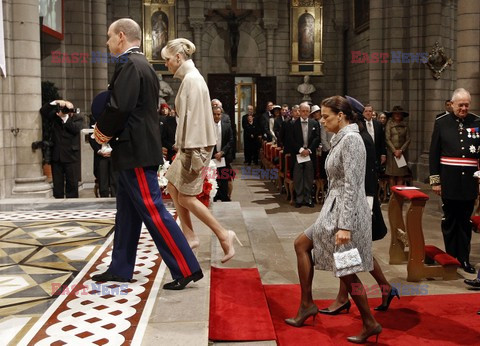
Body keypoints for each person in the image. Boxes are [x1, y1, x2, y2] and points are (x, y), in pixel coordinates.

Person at [91, 18, 202, 290]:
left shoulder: (130, 64)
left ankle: (186, 268)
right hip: (134, 150)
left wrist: (100, 132)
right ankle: (120, 268)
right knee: (126, 213)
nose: (107, 43)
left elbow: (120, 107)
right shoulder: (144, 65)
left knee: (153, 211)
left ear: (120, 36)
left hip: (136, 151)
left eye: (109, 37)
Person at [285, 96, 381, 344]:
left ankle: (370, 322)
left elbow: (352, 186)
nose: (323, 120)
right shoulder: (342, 138)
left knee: (348, 270)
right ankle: (307, 304)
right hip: (334, 209)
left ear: (341, 116)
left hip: (346, 212)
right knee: (301, 245)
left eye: (327, 116)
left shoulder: (352, 140)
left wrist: (346, 226)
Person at [161, 38, 241, 262]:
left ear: (178, 57)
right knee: (173, 186)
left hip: (194, 148)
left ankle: (225, 235)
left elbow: (194, 121)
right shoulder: (189, 78)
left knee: (186, 197)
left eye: (167, 60)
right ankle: (189, 235)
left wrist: (190, 153)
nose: (166, 64)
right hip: (188, 146)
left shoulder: (193, 80)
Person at [320, 96, 397, 317]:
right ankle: (380, 290)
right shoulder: (352, 135)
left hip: (362, 201)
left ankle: (352, 301)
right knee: (356, 255)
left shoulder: (358, 138)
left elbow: (363, 177)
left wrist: (366, 206)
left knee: (351, 257)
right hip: (356, 202)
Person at [429, 88, 480, 274]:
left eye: (467, 104)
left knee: (465, 221)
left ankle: (464, 258)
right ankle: (451, 258)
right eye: (461, 105)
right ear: (452, 105)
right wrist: (435, 181)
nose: (464, 108)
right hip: (449, 179)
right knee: (450, 220)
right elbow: (434, 153)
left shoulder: (476, 122)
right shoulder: (442, 123)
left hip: (469, 182)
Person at [39, 99, 83, 198]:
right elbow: (43, 112)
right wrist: (55, 102)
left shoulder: (77, 118)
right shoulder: (55, 118)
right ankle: (58, 204)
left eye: (69, 109)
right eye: (65, 109)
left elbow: (75, 129)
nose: (66, 111)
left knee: (72, 184)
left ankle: (72, 206)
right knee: (57, 185)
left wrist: (65, 118)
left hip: (71, 156)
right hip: (57, 156)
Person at [288, 102, 320, 208]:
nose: (305, 113)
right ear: (299, 111)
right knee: (298, 176)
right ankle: (299, 199)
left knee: (309, 176)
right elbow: (290, 139)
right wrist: (301, 149)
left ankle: (308, 198)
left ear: (309, 112)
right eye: (303, 111)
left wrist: (309, 150)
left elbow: (317, 138)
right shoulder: (293, 124)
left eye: (307, 111)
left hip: (309, 154)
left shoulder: (314, 123)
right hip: (298, 154)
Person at [212, 106, 234, 201]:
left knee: (224, 178)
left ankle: (224, 197)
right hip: (212, 156)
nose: (217, 116)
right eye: (215, 114)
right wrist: (214, 153)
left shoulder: (226, 125)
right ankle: (214, 196)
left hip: (223, 156)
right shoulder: (208, 126)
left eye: (219, 114)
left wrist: (222, 152)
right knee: (213, 178)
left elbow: (231, 140)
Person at [385, 105, 411, 187]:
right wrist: (394, 151)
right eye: (395, 113)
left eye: (399, 114)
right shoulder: (389, 124)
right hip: (392, 154)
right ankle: (393, 196)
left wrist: (401, 150)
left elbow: (408, 139)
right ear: (392, 115)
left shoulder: (406, 125)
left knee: (401, 175)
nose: (397, 115)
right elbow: (387, 139)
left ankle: (399, 195)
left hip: (402, 154)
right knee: (392, 175)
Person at [363, 104, 387, 174]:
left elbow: (382, 140)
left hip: (376, 152)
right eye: (366, 111)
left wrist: (383, 154)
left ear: (372, 112)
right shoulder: (360, 125)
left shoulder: (378, 124)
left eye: (370, 111)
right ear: (363, 113)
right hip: (365, 152)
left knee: (376, 174)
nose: (368, 113)